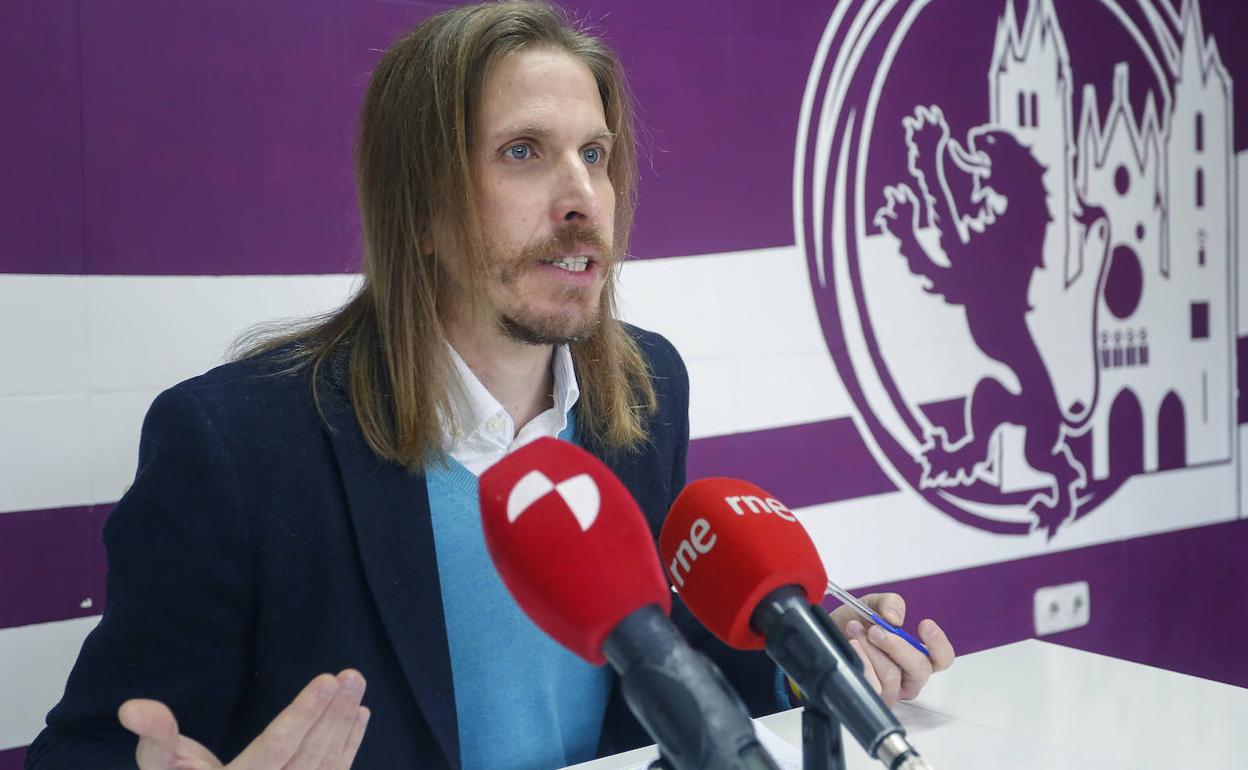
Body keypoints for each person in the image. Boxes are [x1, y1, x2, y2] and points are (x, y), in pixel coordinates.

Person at [26, 2, 955, 769]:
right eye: (523, 152)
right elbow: (91, 750)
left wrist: (814, 663)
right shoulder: (235, 444)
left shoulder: (647, 387)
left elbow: (675, 664)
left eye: (595, 154)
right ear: (420, 209)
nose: (583, 197)